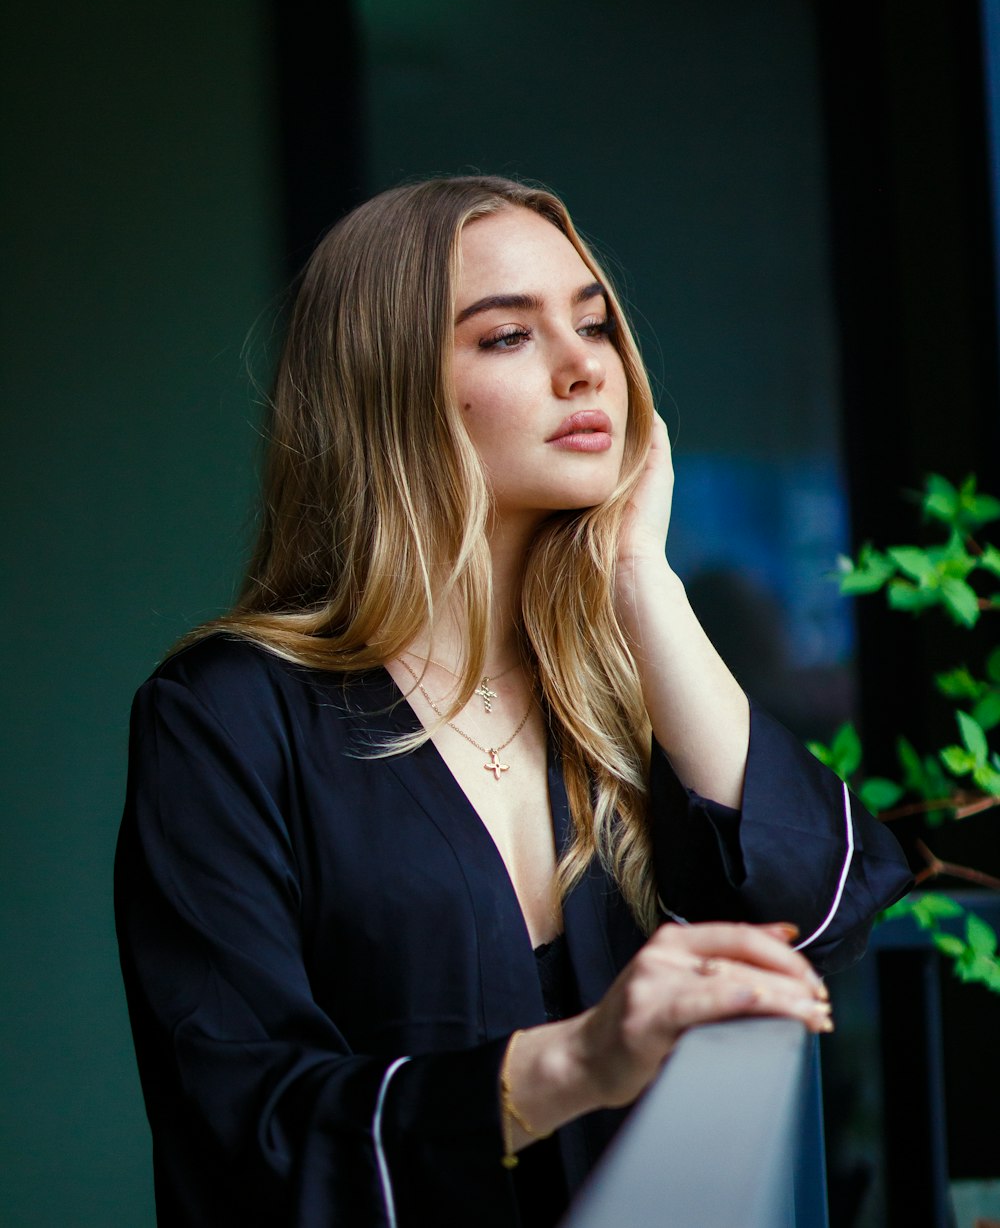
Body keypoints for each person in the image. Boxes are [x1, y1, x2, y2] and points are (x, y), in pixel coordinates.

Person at [115, 175, 911, 1228]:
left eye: (592, 323)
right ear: (388, 390)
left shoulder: (632, 695)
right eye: (505, 338)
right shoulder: (223, 719)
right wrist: (577, 1059)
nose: (587, 365)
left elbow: (819, 913)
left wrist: (643, 580)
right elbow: (246, 1125)